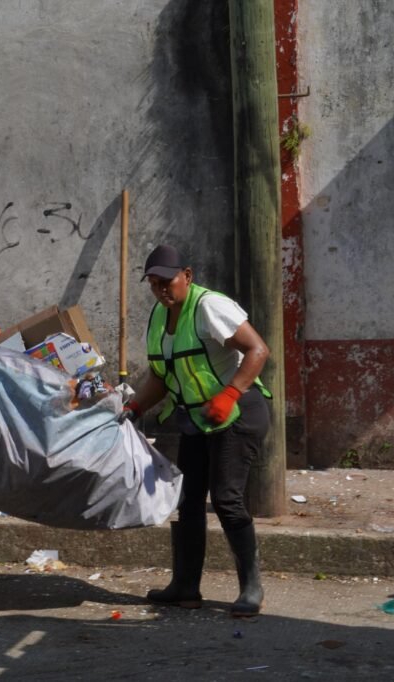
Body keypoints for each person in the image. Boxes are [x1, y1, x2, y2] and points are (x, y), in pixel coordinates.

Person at [122, 244, 272, 617]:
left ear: (186, 276)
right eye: (154, 284)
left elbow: (258, 350)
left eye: (167, 281)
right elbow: (161, 376)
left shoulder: (208, 307)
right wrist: (134, 408)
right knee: (188, 500)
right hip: (198, 418)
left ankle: (252, 588)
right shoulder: (159, 316)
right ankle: (186, 586)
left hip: (238, 412)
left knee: (226, 499)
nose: (161, 290)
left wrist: (230, 394)